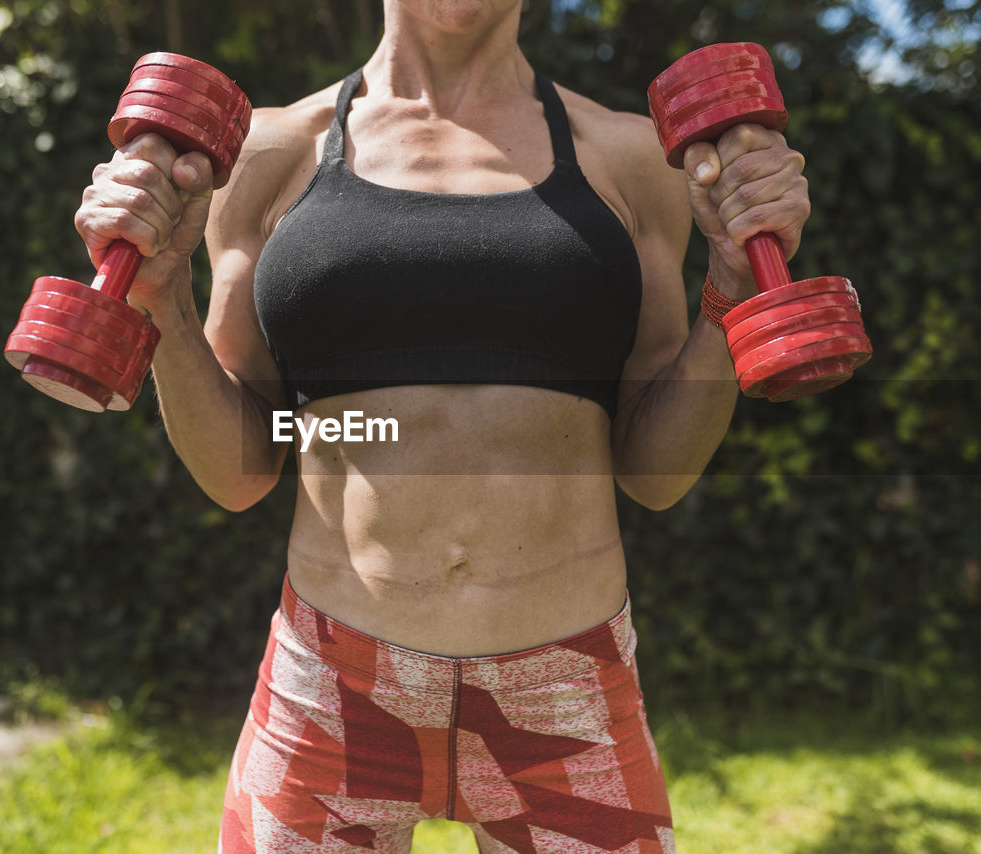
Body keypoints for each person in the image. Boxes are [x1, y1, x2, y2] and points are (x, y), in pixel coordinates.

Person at [75, 0, 810, 849]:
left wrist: (729, 286)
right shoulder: (271, 153)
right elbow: (243, 467)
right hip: (331, 680)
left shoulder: (631, 157)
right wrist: (161, 294)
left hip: (565, 685)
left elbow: (654, 468)